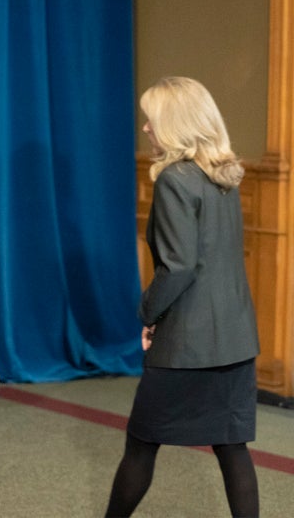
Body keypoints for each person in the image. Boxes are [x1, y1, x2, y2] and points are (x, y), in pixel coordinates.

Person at [105, 77, 260, 517]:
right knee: (233, 449)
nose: (147, 129)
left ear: (173, 124)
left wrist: (147, 314)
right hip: (234, 340)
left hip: (187, 347)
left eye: (151, 121)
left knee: (140, 444)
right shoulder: (223, 176)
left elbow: (179, 266)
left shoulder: (175, 179)